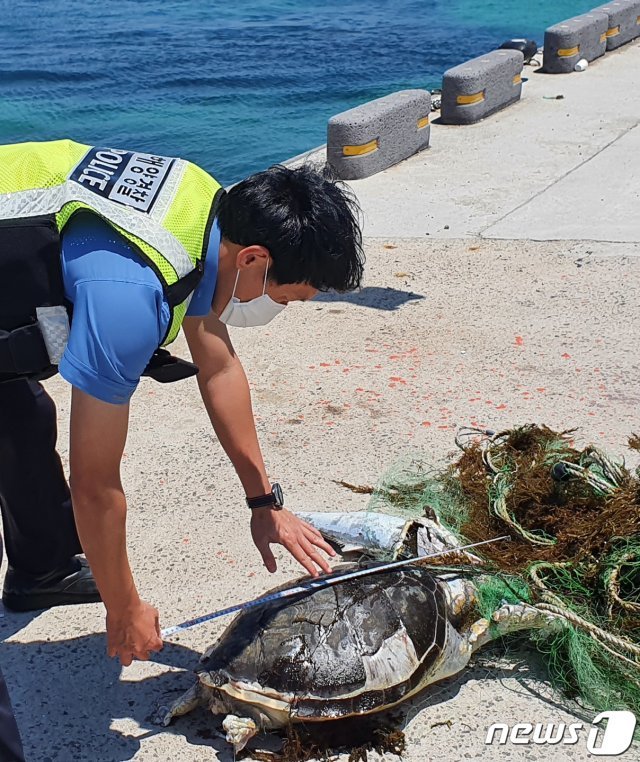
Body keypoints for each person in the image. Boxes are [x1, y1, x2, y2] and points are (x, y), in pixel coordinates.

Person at [0, 139, 364, 676]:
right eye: (286, 298)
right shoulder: (127, 299)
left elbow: (218, 367)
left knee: (19, 410)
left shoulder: (203, 209)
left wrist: (264, 502)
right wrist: (123, 607)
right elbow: (95, 485)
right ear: (255, 259)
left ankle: (43, 571)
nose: (278, 309)